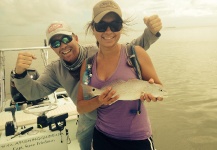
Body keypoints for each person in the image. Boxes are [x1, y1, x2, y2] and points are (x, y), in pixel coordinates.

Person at [13, 8, 162, 150]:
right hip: (88, 117)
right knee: (84, 142)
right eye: (56, 43)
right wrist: (20, 74)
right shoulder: (55, 70)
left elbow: (130, 49)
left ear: (76, 38)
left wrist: (150, 32)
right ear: (52, 48)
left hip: (119, 123)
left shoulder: (97, 52)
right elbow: (34, 92)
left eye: (66, 38)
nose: (63, 46)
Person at [77, 0, 164, 150]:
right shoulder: (88, 65)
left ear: (121, 27)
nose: (108, 31)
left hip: (137, 138)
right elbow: (81, 107)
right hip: (102, 137)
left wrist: (153, 94)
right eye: (101, 25)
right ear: (93, 28)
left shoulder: (137, 54)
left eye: (115, 24)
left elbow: (159, 89)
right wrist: (99, 100)